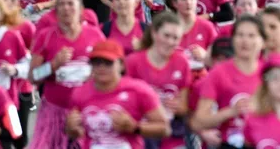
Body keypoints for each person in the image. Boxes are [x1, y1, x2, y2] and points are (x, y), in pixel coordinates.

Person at [28, 0, 105, 149]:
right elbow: (33, 77)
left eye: (70, 4)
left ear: (80, 9)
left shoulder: (94, 35)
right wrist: (53, 65)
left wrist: (94, 75)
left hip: (88, 110)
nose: (66, 8)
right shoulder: (46, 36)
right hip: (55, 112)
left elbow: (109, 71)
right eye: (61, 4)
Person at [65, 40, 169, 148]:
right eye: (96, 62)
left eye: (108, 62)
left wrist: (135, 128)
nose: (101, 67)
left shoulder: (139, 90)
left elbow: (165, 129)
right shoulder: (79, 92)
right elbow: (74, 132)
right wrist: (71, 129)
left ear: (121, 65)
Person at [192, 15, 265, 148]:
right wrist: (231, 112)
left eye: (251, 36)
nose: (245, 41)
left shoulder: (268, 73)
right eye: (240, 35)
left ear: (263, 41)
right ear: (233, 39)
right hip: (229, 143)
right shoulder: (219, 73)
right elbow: (199, 121)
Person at [125, 11, 192, 149]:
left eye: (175, 38)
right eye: (166, 35)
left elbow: (184, 106)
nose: (170, 42)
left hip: (172, 130)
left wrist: (178, 107)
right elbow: (124, 101)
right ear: (154, 33)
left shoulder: (182, 62)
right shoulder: (133, 61)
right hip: (141, 130)